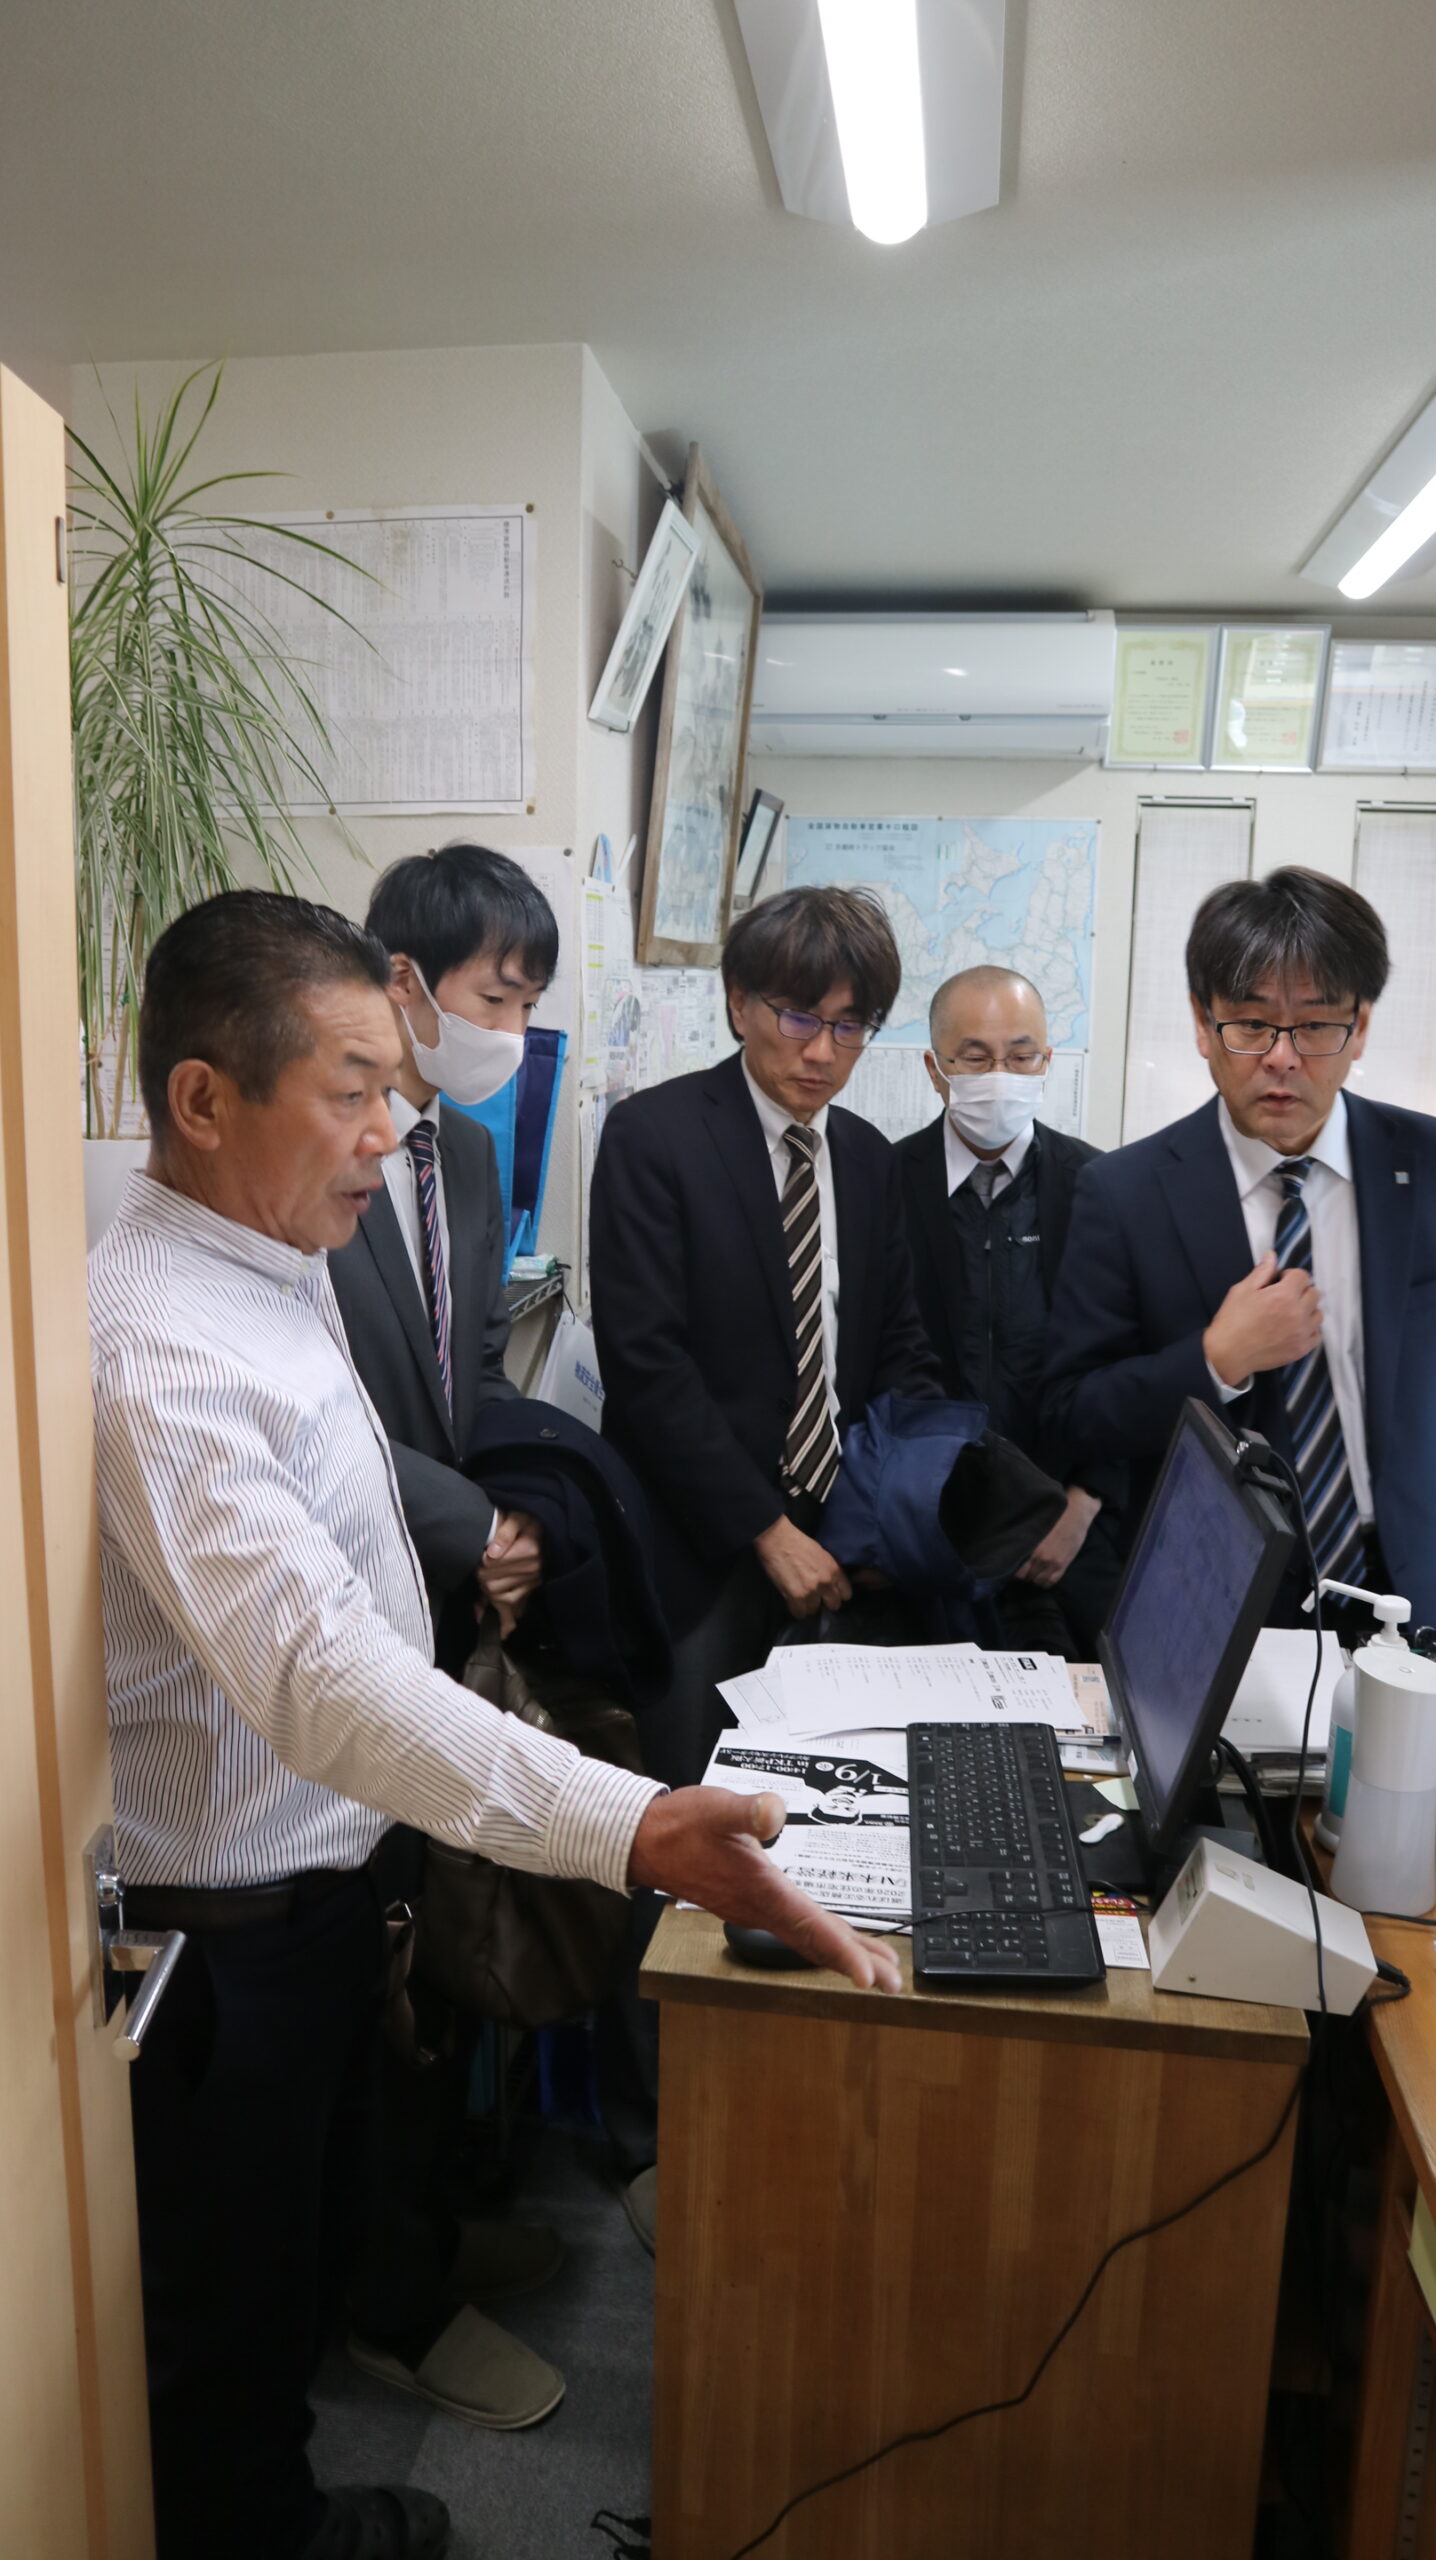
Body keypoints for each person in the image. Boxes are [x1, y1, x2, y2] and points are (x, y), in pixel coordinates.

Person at [89, 888, 898, 2560]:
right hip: (226, 1930)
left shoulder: (271, 1259)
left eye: (393, 1086)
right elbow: (317, 1674)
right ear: (204, 1100)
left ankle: (298, 2497)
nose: (391, 1131)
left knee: (302, 2271)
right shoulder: (155, 1349)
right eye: (351, 1092)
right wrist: (630, 1824)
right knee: (224, 2326)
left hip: (324, 1878)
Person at [325, 845, 565, 2430]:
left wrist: (512, 1522)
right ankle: (386, 2298)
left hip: (452, 1591)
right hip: (348, 1592)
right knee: (377, 1967)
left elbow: (469, 1367)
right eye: (497, 996)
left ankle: (425, 2233)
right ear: (404, 982)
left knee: (442, 1931)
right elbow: (328, 1402)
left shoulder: (465, 1156)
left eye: (532, 1002)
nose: (511, 1033)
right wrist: (469, 1522)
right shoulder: (320, 1148)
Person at [589, 884, 940, 1796]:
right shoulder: (653, 1137)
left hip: (841, 1545)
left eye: (851, 1027)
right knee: (696, 1808)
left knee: (835, 1798)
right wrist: (765, 1528)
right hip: (699, 1547)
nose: (822, 1052)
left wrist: (892, 1508)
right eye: (798, 1017)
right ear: (739, 1002)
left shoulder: (867, 1157)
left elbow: (895, 1345)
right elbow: (647, 1366)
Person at [1043, 866, 1436, 1626]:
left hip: (1412, 1581)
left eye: (1315, 1026)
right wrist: (1214, 1361)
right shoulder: (1124, 1194)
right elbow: (1072, 1414)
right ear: (1203, 1022)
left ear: (1360, 1027)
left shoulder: (1424, 1165)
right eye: (1252, 1024)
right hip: (1223, 1600)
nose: (1282, 1058)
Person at [893, 965, 1126, 1655]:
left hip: (1071, 1535)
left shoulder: (1100, 1188)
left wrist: (1083, 1503)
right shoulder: (883, 1184)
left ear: (1047, 1061)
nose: (1001, 1076)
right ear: (935, 1069)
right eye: (975, 1057)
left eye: (1021, 1056)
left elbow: (1127, 1363)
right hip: (929, 1537)